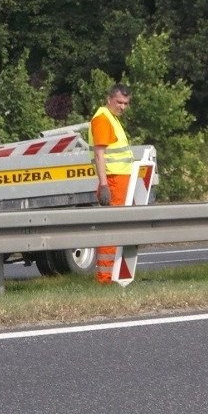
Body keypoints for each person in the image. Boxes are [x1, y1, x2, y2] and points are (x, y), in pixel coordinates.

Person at [88, 83, 133, 283]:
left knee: (117, 229)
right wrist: (104, 185)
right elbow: (100, 154)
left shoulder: (111, 118)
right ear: (109, 99)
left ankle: (111, 275)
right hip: (113, 181)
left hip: (119, 180)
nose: (122, 106)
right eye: (119, 102)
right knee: (111, 230)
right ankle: (104, 278)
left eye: (125, 103)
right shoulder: (103, 119)